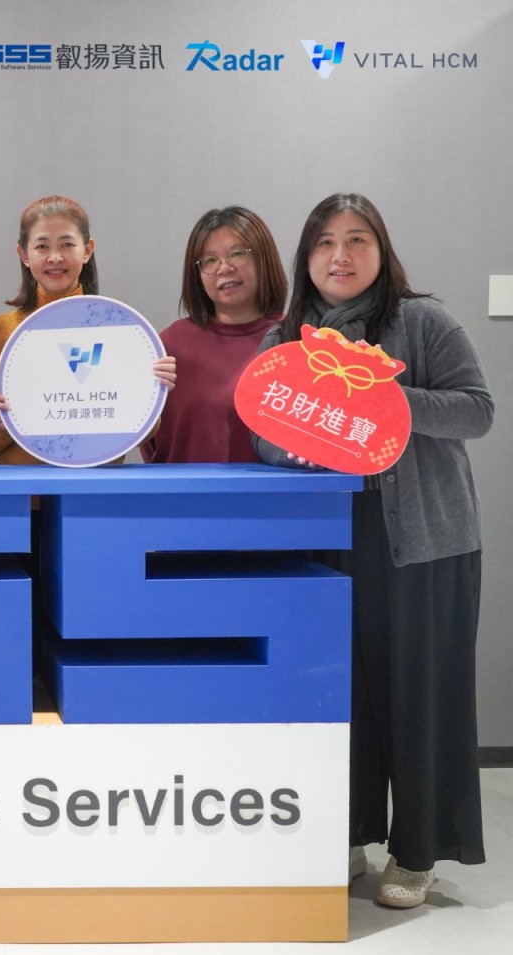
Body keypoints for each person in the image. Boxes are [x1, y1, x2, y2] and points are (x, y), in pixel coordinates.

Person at [252, 193, 493, 908]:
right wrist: (300, 443)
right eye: (325, 242)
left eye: (357, 240)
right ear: (306, 258)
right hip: (328, 545)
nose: (341, 255)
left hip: (423, 543)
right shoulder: (285, 341)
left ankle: (417, 853)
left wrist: (385, 399)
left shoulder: (423, 322)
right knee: (339, 689)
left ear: (382, 251)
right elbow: (264, 434)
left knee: (420, 696)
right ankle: (348, 833)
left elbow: (477, 410)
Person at [0, 195, 176, 462]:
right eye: (42, 246)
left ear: (87, 250)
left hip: (96, 483)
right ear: (23, 255)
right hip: (25, 482)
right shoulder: (4, 330)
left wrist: (153, 392)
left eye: (67, 244)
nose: (55, 257)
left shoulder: (121, 330)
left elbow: (142, 431)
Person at [141, 206, 287, 463]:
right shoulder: (170, 345)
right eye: (209, 260)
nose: (224, 268)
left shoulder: (294, 340)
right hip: (182, 489)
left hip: (275, 490)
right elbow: (147, 438)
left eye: (237, 254)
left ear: (264, 258)